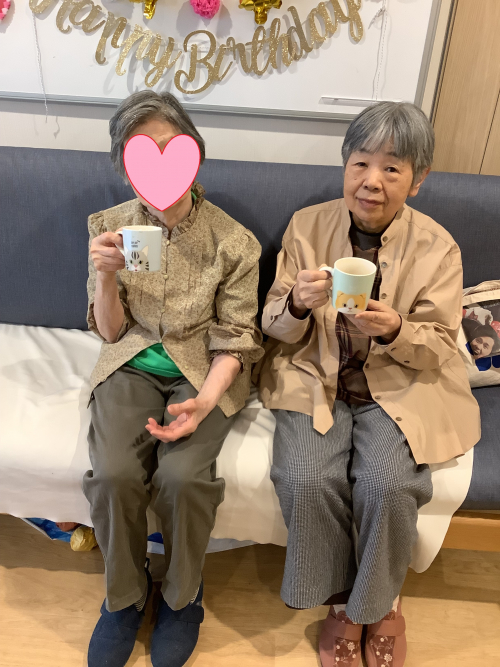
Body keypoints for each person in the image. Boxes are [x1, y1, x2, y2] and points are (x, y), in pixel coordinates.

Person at [257, 102, 480, 667]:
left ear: (418, 180)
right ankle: (340, 600)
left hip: (400, 384)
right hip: (315, 375)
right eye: (361, 163)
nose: (372, 181)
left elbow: (440, 343)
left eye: (392, 168)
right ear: (345, 165)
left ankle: (379, 603)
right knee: (304, 475)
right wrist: (297, 304)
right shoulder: (307, 227)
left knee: (389, 484)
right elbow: (273, 326)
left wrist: (397, 329)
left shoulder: (439, 247)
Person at [84, 90, 263, 667]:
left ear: (193, 154)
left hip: (203, 370)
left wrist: (205, 402)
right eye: (141, 153)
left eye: (168, 147)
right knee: (114, 475)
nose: (157, 166)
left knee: (183, 478)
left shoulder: (233, 242)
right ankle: (125, 595)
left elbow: (237, 336)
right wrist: (105, 278)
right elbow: (111, 332)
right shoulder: (112, 229)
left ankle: (183, 595)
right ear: (125, 166)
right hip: (131, 362)